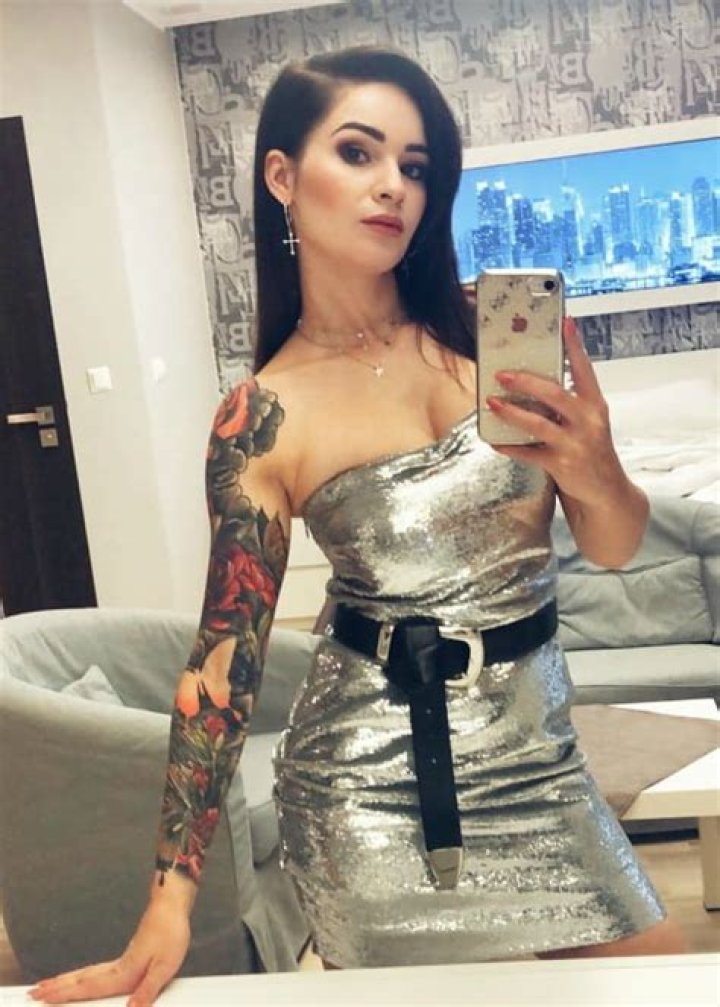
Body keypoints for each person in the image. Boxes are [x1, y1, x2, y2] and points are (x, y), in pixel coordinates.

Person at [30, 46, 686, 1007]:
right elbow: (222, 668)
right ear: (282, 177)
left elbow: (615, 546)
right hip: (368, 790)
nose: (392, 186)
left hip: (540, 765)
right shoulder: (264, 414)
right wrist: (169, 903)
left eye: (414, 166)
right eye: (358, 152)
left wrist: (598, 466)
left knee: (668, 981)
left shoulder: (491, 340)